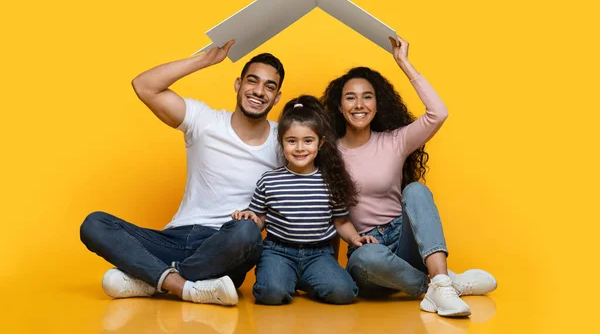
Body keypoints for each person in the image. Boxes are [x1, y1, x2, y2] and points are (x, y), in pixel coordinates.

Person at [80, 40, 287, 306]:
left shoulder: (284, 141)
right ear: (238, 84)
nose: (259, 91)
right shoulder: (205, 121)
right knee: (94, 224)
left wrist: (260, 221)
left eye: (269, 87)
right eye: (252, 81)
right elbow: (144, 86)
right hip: (174, 238)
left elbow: (300, 191)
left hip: (226, 245)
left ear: (277, 97)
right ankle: (184, 287)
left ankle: (151, 279)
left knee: (247, 234)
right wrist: (206, 60)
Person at [321, 36, 497, 317]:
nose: (359, 104)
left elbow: (438, 113)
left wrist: (404, 63)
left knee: (415, 190)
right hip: (369, 254)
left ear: (377, 105)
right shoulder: (328, 154)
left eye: (367, 97)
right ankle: (441, 285)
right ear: (340, 107)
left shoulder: (394, 141)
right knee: (366, 257)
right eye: (350, 97)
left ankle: (440, 280)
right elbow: (331, 217)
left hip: (405, 240)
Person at [232, 95, 377, 305]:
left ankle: (304, 279)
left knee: (344, 293)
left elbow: (341, 222)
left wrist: (356, 239)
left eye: (308, 141)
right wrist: (250, 217)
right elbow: (261, 218)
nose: (300, 148)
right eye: (292, 141)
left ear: (321, 142)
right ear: (282, 142)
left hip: (318, 254)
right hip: (278, 252)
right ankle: (285, 278)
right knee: (270, 294)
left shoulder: (330, 181)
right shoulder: (269, 180)